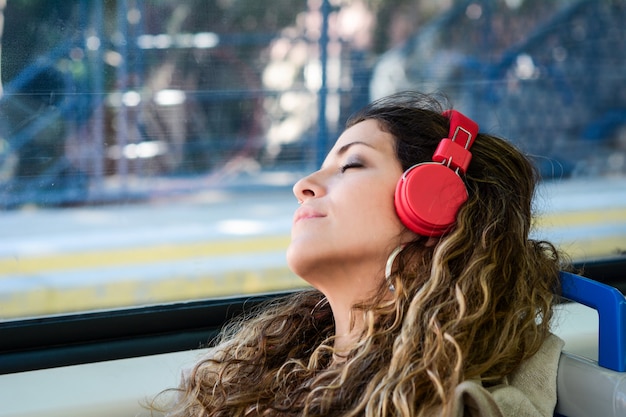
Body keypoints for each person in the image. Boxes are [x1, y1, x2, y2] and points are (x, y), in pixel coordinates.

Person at [154, 91, 566, 417]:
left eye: (351, 164)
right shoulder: (279, 367)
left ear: (432, 205)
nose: (304, 184)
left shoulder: (452, 402)